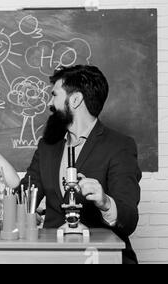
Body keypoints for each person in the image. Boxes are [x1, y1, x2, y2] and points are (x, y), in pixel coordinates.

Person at [18, 65, 141, 264]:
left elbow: (129, 220)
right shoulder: (47, 147)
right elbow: (23, 195)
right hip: (53, 257)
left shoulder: (120, 146)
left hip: (100, 258)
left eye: (54, 95)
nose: (49, 103)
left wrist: (105, 202)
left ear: (75, 100)